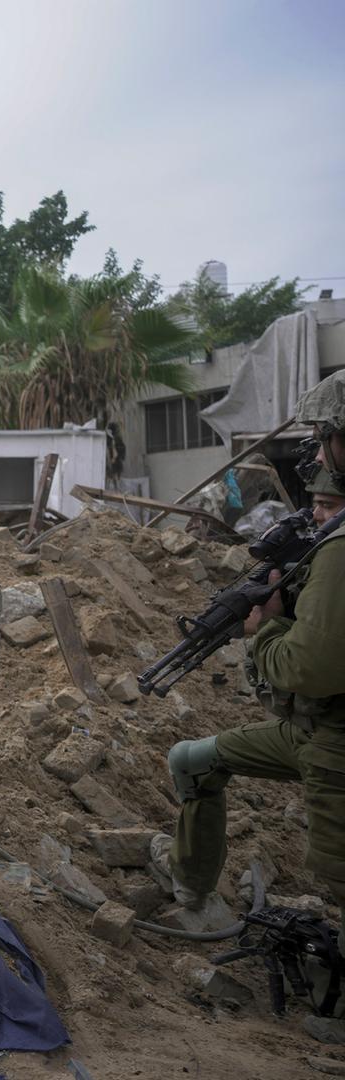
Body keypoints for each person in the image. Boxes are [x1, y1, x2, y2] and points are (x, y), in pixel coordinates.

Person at [152, 377, 345, 1043]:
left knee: (337, 879)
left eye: (326, 440)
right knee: (194, 763)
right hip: (311, 730)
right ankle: (193, 895)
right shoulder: (331, 546)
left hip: (334, 740)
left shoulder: (342, 553)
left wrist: (261, 629)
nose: (318, 454)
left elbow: (308, 667)